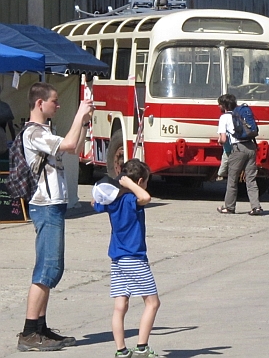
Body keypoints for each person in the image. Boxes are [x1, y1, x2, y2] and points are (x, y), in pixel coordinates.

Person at [17, 82, 94, 352]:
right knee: (47, 269)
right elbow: (71, 143)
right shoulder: (33, 133)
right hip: (45, 205)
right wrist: (78, 113)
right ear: (40, 103)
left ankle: (40, 327)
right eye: (55, 101)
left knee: (53, 268)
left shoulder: (46, 131)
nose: (58, 105)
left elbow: (74, 147)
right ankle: (29, 333)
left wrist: (83, 122)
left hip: (54, 204)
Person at [93, 159, 161, 358]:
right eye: (146, 181)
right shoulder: (131, 200)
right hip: (134, 259)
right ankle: (142, 347)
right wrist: (130, 185)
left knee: (120, 305)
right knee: (152, 303)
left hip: (117, 260)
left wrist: (115, 187)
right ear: (140, 181)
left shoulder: (112, 202)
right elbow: (146, 197)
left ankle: (121, 350)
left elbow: (95, 202)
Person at [216, 93, 263, 215]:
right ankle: (256, 207)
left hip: (238, 149)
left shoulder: (224, 118)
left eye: (220, 104)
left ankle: (229, 207)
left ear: (224, 105)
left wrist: (219, 141)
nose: (218, 106)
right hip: (251, 146)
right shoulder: (241, 113)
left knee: (232, 179)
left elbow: (224, 139)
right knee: (251, 179)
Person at [0, 85, 16, 155]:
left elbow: (11, 126)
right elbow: (11, 126)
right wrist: (14, 141)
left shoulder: (4, 106)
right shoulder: (4, 106)